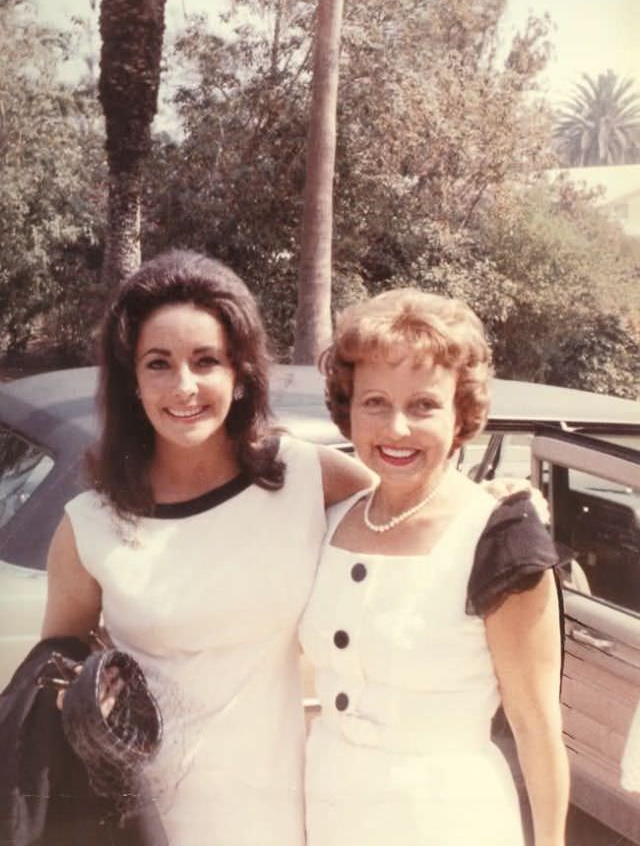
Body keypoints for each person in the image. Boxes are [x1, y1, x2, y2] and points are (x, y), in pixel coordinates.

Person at [40, 249, 370, 846]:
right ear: (132, 381)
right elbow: (51, 681)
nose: (184, 386)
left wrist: (490, 505)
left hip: (279, 816)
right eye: (159, 364)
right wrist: (82, 695)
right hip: (139, 823)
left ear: (240, 373)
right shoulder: (89, 526)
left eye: (206, 361)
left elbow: (410, 514)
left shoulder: (303, 477)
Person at [300, 288, 569, 846]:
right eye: (374, 402)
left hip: (446, 820)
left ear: (461, 414)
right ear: (347, 407)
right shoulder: (328, 516)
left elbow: (537, 729)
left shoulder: (501, 538)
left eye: (423, 405)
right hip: (330, 811)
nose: (396, 428)